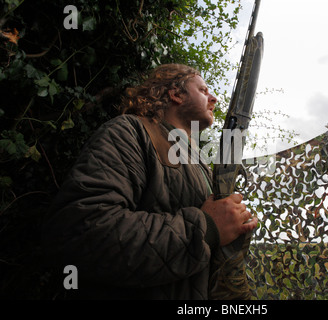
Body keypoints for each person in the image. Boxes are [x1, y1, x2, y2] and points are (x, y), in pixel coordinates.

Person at [41, 63, 258, 299]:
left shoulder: (203, 166)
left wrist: (234, 231)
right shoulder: (131, 132)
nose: (213, 98)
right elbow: (78, 231)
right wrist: (205, 228)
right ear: (176, 94)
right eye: (203, 90)